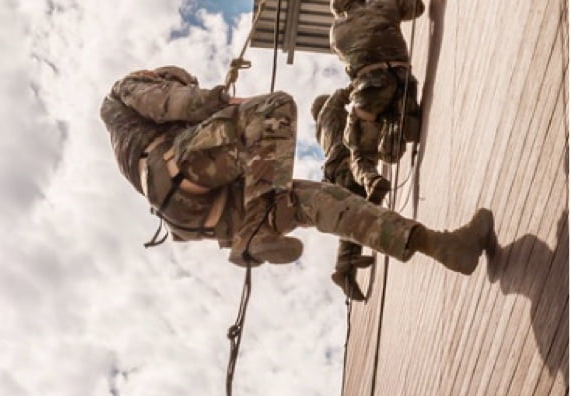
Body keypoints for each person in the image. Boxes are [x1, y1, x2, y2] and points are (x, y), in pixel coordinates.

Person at [99, 66, 493, 276]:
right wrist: (214, 97)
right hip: (178, 172)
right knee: (276, 106)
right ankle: (256, 229)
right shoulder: (128, 87)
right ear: (164, 75)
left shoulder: (136, 138)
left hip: (205, 212)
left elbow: (223, 130)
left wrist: (227, 105)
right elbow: (177, 104)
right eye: (185, 79)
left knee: (320, 200)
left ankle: (442, 247)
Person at [328, 0, 424, 204]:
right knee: (392, 117)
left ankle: (371, 180)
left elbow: (346, 57)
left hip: (371, 86)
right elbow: (416, 7)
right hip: (405, 80)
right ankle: (398, 124)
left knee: (358, 149)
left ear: (341, 11)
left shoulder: (336, 31)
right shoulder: (385, 5)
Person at [312, 89, 373, 301]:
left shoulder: (321, 130)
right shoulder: (328, 112)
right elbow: (343, 94)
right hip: (343, 165)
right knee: (357, 210)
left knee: (354, 213)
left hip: (336, 169)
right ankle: (345, 264)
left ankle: (348, 261)